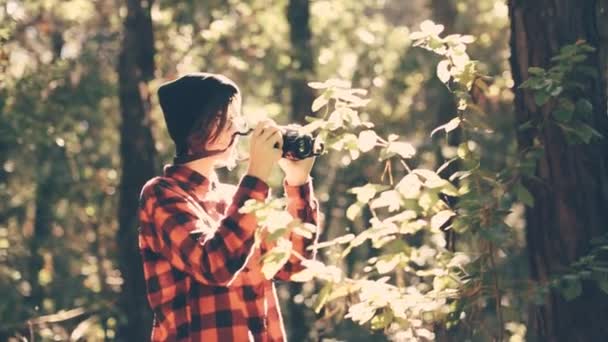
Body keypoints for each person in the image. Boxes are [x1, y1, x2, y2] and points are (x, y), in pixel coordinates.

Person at [137, 72, 320, 341]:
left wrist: (298, 181)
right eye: (227, 118)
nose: (239, 128)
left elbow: (294, 265)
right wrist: (257, 175)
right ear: (198, 126)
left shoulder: (238, 199)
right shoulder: (161, 195)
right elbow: (214, 265)